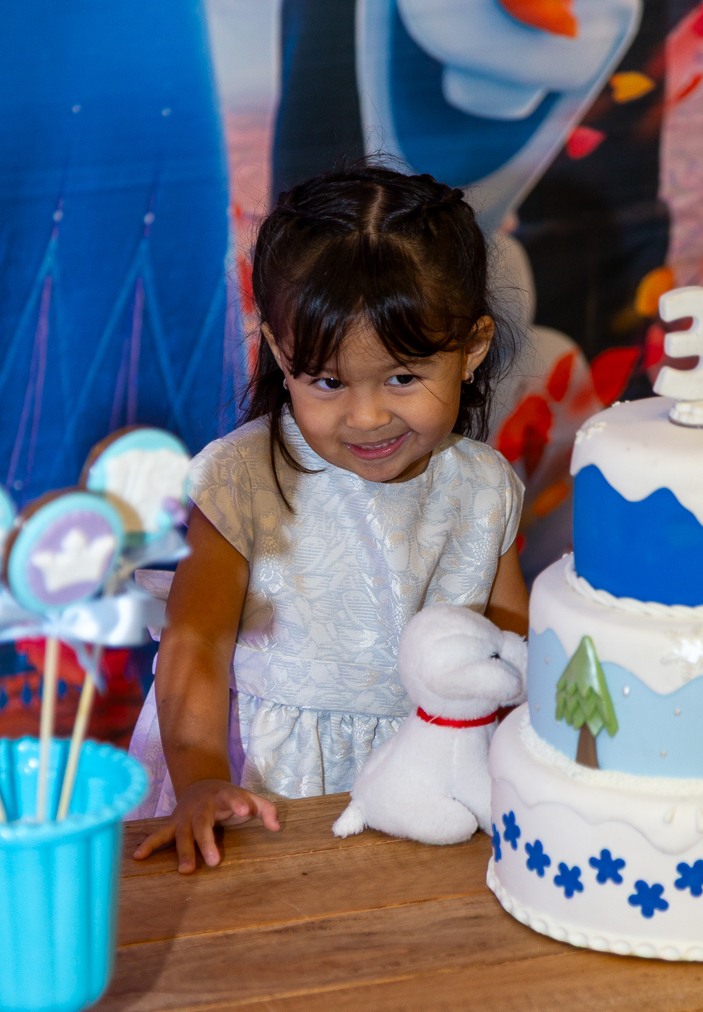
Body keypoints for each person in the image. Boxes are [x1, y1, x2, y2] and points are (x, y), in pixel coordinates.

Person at [130, 163, 529, 873]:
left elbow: (512, 637)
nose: (367, 416)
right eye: (328, 382)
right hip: (263, 792)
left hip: (429, 782)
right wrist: (200, 779)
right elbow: (195, 648)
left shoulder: (485, 488)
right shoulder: (243, 479)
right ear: (283, 356)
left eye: (403, 377)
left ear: (470, 349)